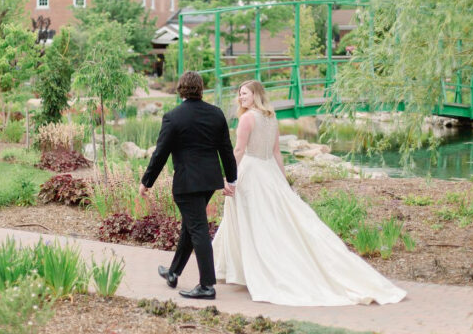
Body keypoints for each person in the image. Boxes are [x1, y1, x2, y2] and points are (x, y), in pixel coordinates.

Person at [212, 80, 407, 306]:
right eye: (239, 93)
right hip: (268, 172)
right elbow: (276, 153)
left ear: (255, 95)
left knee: (255, 220)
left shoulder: (247, 118)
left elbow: (239, 150)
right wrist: (282, 180)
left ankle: (256, 268)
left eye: (244, 93)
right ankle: (238, 268)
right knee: (266, 219)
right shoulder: (271, 117)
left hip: (252, 172)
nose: (240, 97)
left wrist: (229, 177)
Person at [140, 71, 237, 300]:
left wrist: (146, 181)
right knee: (191, 227)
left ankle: (207, 286)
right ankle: (173, 272)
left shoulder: (173, 117)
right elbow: (226, 150)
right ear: (201, 89)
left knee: (198, 230)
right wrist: (231, 178)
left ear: (180, 88)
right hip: (208, 182)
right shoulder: (216, 114)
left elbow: (160, 153)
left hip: (187, 183)